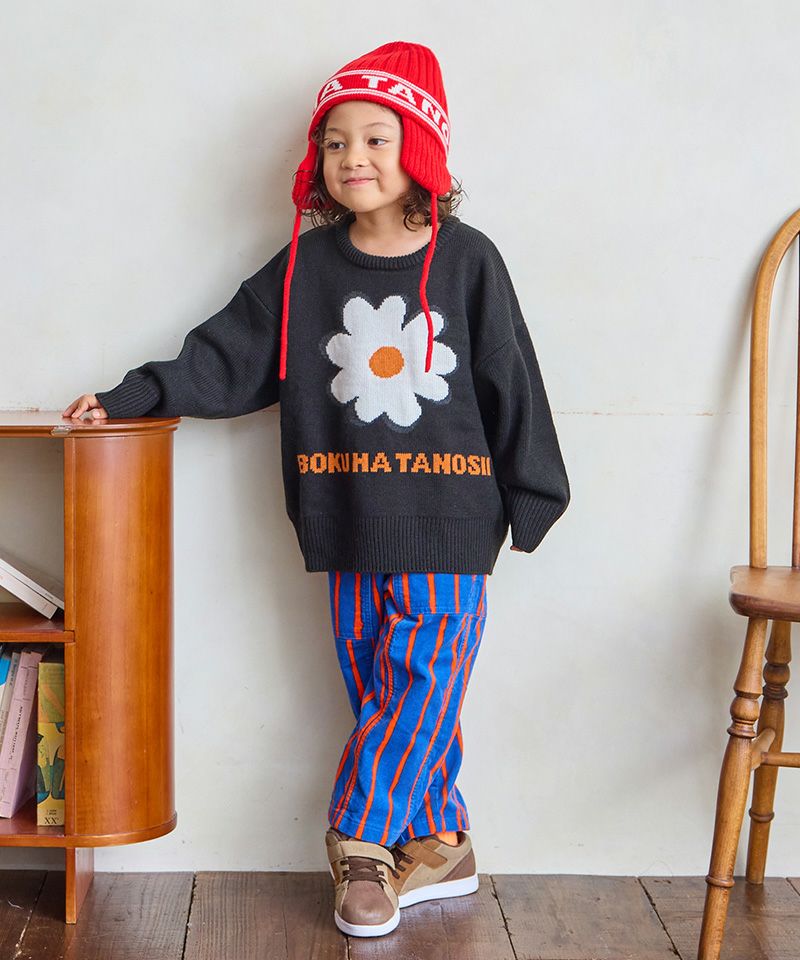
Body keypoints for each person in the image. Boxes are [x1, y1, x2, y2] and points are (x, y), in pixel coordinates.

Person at [62, 40, 570, 939]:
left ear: (420, 150)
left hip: (452, 517)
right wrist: (133, 393)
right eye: (335, 143)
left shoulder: (469, 260)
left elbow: (510, 374)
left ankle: (361, 844)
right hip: (345, 515)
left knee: (421, 679)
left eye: (376, 138)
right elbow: (225, 354)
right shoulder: (305, 267)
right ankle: (441, 839)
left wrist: (534, 490)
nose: (353, 157)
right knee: (387, 688)